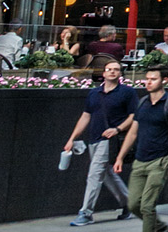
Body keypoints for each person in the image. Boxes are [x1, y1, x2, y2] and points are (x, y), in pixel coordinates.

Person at [61, 56, 134, 226]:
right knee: (107, 174)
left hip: (110, 140)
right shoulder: (94, 93)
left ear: (120, 73)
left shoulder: (127, 92)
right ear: (104, 72)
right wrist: (72, 138)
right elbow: (85, 116)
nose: (112, 72)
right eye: (109, 69)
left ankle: (86, 212)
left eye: (116, 69)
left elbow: (133, 116)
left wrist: (117, 129)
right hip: (93, 138)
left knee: (94, 174)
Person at [116, 64, 168, 232]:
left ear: (164, 80)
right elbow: (133, 133)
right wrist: (120, 157)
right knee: (133, 204)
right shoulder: (142, 103)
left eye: (153, 79)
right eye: (147, 79)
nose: (148, 83)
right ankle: (162, 228)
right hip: (140, 160)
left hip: (160, 160)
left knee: (147, 207)